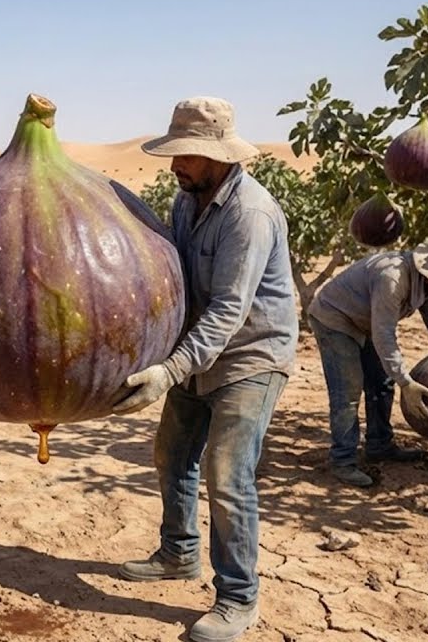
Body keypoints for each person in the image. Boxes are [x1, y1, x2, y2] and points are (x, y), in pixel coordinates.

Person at [113, 96, 298, 642]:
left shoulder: (250, 214)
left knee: (227, 474)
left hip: (250, 356)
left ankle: (239, 598)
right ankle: (178, 554)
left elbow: (228, 311)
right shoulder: (185, 201)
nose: (177, 165)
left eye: (188, 156)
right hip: (195, 354)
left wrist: (169, 371)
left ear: (218, 156)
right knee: (172, 455)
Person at [307, 240, 428, 487]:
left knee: (382, 384)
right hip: (335, 318)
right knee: (348, 391)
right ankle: (342, 461)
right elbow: (384, 333)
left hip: (367, 321)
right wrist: (406, 381)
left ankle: (379, 445)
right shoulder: (393, 278)